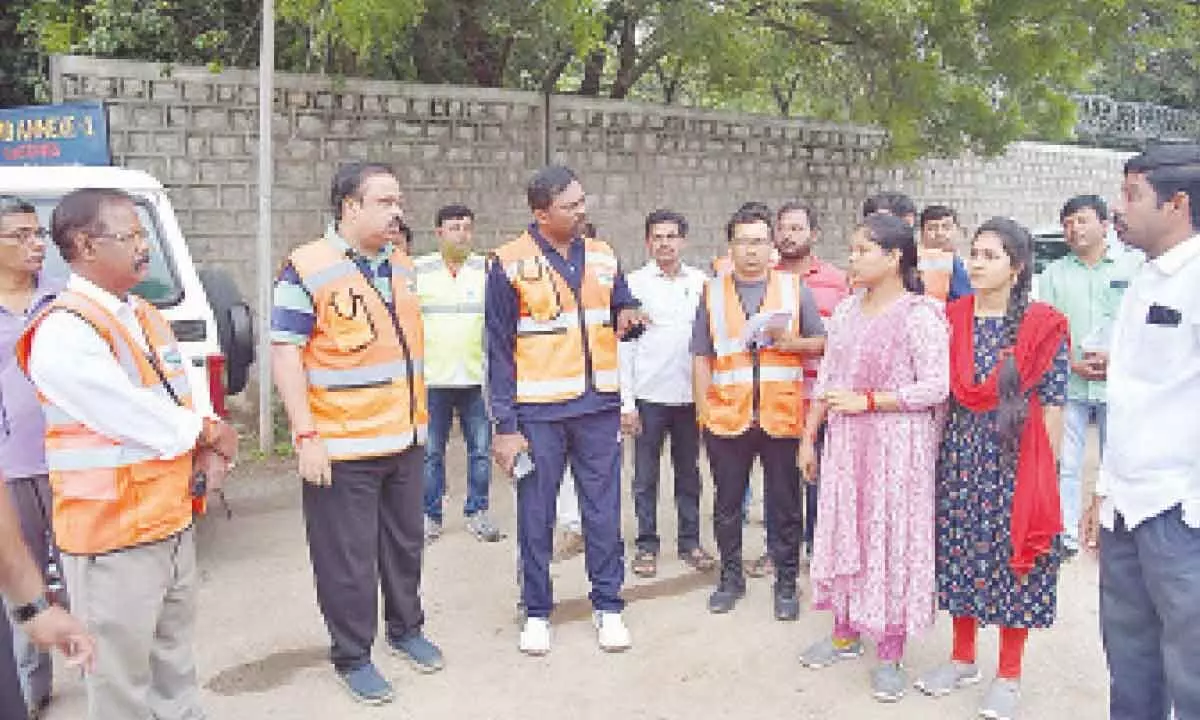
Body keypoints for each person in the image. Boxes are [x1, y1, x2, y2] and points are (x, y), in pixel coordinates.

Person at [16, 187, 240, 720]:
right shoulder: (63, 329)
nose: (144, 247)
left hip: (169, 522)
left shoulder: (141, 313)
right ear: (85, 246)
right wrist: (208, 433)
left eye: (144, 235)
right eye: (131, 236)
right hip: (111, 541)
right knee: (120, 687)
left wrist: (207, 451)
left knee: (174, 668)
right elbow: (132, 415)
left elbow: (178, 395)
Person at [271, 162, 442, 706]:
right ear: (350, 206)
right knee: (346, 559)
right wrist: (305, 436)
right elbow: (285, 354)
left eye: (399, 201)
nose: (398, 211)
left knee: (405, 545)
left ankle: (406, 629)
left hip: (404, 438)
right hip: (342, 446)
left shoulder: (401, 265)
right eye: (386, 202)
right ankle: (353, 656)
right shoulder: (307, 268)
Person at [486, 165, 647, 655]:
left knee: (603, 513)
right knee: (536, 516)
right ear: (541, 213)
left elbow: (624, 305)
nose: (583, 210)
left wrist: (631, 317)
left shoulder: (602, 254)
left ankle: (608, 606)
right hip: (538, 415)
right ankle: (536, 611)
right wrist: (505, 427)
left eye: (582, 201)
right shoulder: (508, 263)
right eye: (570, 206)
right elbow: (497, 349)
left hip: (598, 409)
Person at [915, 217, 1069, 720]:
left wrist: (1044, 477)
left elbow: (1052, 402)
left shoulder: (1041, 325)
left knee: (1012, 562)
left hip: (1016, 459)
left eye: (990, 256)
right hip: (959, 457)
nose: (976, 264)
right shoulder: (951, 317)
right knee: (958, 552)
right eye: (974, 254)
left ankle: (1008, 673)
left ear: (1017, 267)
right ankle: (962, 659)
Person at [796, 213, 949, 702]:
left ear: (894, 256)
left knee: (889, 539)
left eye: (863, 250)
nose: (853, 258)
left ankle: (890, 650)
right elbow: (827, 378)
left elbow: (935, 385)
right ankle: (843, 632)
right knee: (846, 528)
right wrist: (808, 436)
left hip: (897, 447)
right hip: (845, 442)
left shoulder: (920, 314)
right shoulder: (844, 311)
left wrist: (870, 401)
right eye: (853, 249)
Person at [1082, 143, 1200, 719]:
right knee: (1131, 671)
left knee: (1194, 676)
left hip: (1182, 515)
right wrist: (1104, 488)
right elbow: (1131, 399)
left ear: (1177, 203)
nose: (1118, 208)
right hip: (1128, 509)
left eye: (1132, 194)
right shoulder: (1144, 281)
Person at [691, 204, 826, 621]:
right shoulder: (712, 292)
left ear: (771, 247)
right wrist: (702, 414)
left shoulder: (793, 288)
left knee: (785, 506)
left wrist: (790, 342)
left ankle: (786, 583)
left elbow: (821, 343)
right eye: (743, 241)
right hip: (727, 417)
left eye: (759, 241)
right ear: (729, 247)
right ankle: (730, 578)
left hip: (780, 415)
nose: (751, 250)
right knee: (728, 505)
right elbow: (700, 356)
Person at [747, 201, 850, 578]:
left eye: (797, 228)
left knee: (820, 482)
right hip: (779, 399)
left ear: (814, 234)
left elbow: (844, 341)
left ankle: (819, 553)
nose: (788, 235)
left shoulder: (837, 282)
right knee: (780, 483)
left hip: (822, 399)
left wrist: (797, 344)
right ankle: (779, 552)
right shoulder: (765, 280)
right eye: (783, 228)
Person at [1038, 195, 1137, 557]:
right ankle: (1065, 535)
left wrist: (1118, 359)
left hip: (1120, 384)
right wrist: (1069, 362)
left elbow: (1142, 327)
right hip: (1071, 383)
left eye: (1081, 220)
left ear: (1104, 224)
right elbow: (1044, 331)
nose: (1074, 229)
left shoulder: (1133, 268)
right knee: (1067, 462)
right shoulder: (1053, 275)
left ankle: (1112, 531)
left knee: (1121, 459)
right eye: (1067, 223)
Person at [620, 209, 713, 578]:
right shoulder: (633, 286)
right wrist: (626, 402)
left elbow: (710, 344)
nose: (665, 243)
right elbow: (624, 347)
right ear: (647, 242)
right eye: (657, 237)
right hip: (648, 398)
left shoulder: (702, 284)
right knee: (645, 477)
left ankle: (690, 542)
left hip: (690, 398)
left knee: (689, 474)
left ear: (683, 241)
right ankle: (646, 545)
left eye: (671, 236)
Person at [0, 195, 65, 718]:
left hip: (70, 465)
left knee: (86, 578)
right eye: (19, 236)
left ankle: (106, 682)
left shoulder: (63, 301)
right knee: (22, 578)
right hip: (9, 469)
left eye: (37, 233)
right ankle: (30, 690)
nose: (35, 244)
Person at [416, 204, 502, 543]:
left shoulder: (486, 270)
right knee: (430, 452)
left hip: (474, 379)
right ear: (439, 233)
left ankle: (477, 511)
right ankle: (429, 516)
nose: (462, 234)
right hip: (432, 379)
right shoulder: (419, 270)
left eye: (467, 227)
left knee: (480, 450)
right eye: (454, 227)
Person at [0, 475, 95, 720]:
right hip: (15, 471)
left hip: (58, 470)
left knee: (75, 578)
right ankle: (33, 685)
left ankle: (92, 673)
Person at [917, 205, 973, 302]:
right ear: (922, 233)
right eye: (932, 228)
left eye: (946, 227)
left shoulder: (970, 267)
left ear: (958, 231)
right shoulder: (914, 268)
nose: (940, 233)